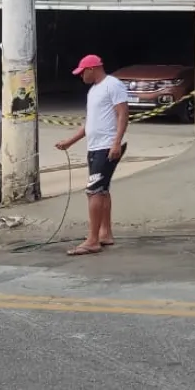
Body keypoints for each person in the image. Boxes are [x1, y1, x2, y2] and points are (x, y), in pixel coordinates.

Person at [55, 54, 129, 256]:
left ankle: (93, 240)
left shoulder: (112, 85)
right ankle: (105, 233)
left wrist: (116, 143)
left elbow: (123, 114)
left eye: (82, 73)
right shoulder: (94, 90)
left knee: (93, 191)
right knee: (102, 190)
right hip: (95, 147)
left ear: (91, 69)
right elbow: (90, 123)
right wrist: (70, 141)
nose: (81, 77)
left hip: (107, 146)